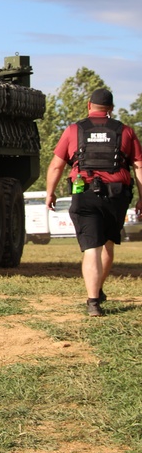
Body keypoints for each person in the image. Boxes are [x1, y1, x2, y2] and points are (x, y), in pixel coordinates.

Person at [45, 88, 142, 316]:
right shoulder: (125, 131)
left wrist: (50, 192)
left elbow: (57, 165)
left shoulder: (73, 130)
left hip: (85, 193)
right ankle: (97, 290)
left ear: (89, 105)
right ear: (111, 109)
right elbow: (139, 166)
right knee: (107, 244)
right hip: (116, 196)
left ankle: (93, 301)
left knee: (91, 248)